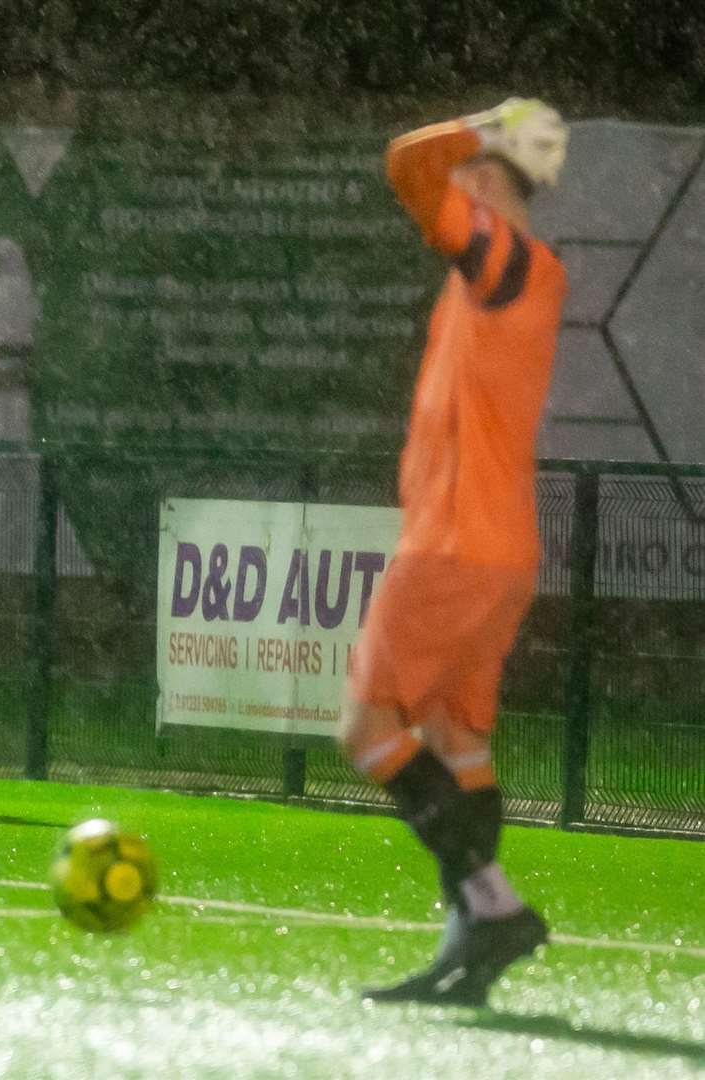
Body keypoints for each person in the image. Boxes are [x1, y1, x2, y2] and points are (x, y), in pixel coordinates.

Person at [339, 98, 570, 1005]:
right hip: (499, 548)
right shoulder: (514, 277)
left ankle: (497, 907)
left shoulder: (508, 261)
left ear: (483, 187)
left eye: (471, 182)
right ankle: (470, 945)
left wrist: (483, 129)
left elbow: (406, 166)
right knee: (458, 742)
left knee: (368, 729)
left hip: (453, 545)